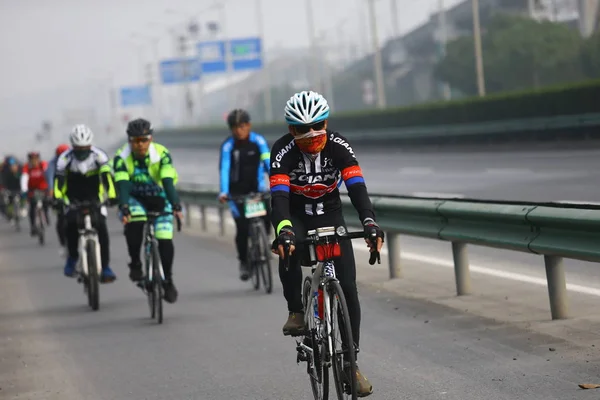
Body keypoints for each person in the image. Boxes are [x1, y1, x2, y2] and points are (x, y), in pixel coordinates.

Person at [269, 90, 384, 397]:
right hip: (295, 214)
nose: (310, 134)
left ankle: (350, 362)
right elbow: (279, 198)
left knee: (348, 286)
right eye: (301, 130)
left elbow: (357, 187)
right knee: (287, 245)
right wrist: (284, 231)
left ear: (326, 122)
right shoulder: (282, 151)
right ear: (291, 130)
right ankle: (296, 309)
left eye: (316, 126)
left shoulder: (339, 146)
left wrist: (369, 223)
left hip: (330, 213)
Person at [113, 118, 183, 303]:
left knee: (165, 239)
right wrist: (124, 205)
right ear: (130, 141)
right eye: (136, 140)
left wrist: (175, 204)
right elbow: (122, 184)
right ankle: (135, 262)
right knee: (134, 223)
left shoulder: (161, 153)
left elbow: (168, 182)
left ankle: (168, 280)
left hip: (159, 196)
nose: (140, 144)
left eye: (144, 140)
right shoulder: (121, 157)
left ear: (150, 139)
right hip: (135, 197)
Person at [53, 125, 117, 282]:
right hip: (73, 198)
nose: (82, 153)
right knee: (71, 225)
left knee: (102, 228)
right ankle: (72, 259)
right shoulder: (65, 159)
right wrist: (58, 198)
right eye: (78, 149)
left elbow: (108, 179)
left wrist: (112, 196)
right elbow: (58, 184)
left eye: (85, 149)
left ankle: (106, 266)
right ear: (73, 147)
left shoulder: (99, 156)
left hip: (94, 197)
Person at [218, 109, 271, 281]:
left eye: (242, 126)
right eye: (234, 127)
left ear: (248, 126)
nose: (238, 130)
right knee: (242, 228)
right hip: (236, 193)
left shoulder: (258, 141)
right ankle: (243, 261)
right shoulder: (228, 146)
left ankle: (264, 242)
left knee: (268, 216)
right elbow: (224, 169)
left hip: (257, 189)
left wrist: (276, 182)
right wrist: (224, 192)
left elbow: (268, 162)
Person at [47, 144, 71, 255]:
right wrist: (52, 191)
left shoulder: (73, 159)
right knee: (61, 219)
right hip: (59, 191)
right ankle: (62, 244)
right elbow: (51, 177)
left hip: (73, 191)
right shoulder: (53, 164)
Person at [20, 151, 50, 236]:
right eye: (32, 159)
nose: (34, 161)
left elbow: (48, 173)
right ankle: (33, 225)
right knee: (32, 207)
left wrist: (50, 187)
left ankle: (46, 216)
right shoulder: (27, 167)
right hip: (32, 190)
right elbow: (24, 178)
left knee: (46, 202)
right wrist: (24, 189)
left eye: (36, 159)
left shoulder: (43, 165)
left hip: (43, 188)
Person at [0, 156, 23, 221]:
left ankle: (20, 210)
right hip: (8, 189)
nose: (13, 167)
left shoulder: (20, 172)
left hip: (18, 189)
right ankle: (9, 215)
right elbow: (2, 181)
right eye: (11, 166)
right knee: (7, 203)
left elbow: (24, 181)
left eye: (14, 166)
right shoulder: (4, 172)